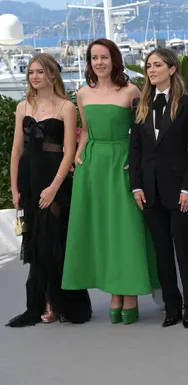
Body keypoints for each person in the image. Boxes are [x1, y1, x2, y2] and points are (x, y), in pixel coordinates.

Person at [62, 39, 160, 325]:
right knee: (102, 229)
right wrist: (78, 157)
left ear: (114, 60)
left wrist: (137, 160)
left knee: (125, 228)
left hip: (122, 161)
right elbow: (85, 131)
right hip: (92, 166)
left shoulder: (131, 91)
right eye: (94, 58)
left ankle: (129, 293)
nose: (99, 63)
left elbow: (142, 132)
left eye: (104, 57)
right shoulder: (82, 93)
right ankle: (114, 293)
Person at [6, 54, 92, 327]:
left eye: (40, 72)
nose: (34, 77)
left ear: (52, 75)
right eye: (31, 72)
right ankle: (41, 301)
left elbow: (69, 152)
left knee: (55, 243)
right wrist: (14, 188)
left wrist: (54, 187)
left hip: (55, 180)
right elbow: (17, 150)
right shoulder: (23, 106)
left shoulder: (66, 107)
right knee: (35, 242)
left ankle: (60, 303)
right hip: (29, 180)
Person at [129, 48, 188, 328]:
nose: (151, 70)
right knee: (161, 250)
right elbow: (134, 149)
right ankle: (171, 306)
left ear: (172, 69)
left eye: (157, 65)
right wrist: (135, 185)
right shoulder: (140, 105)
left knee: (183, 249)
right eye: (148, 66)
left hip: (179, 189)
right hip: (149, 189)